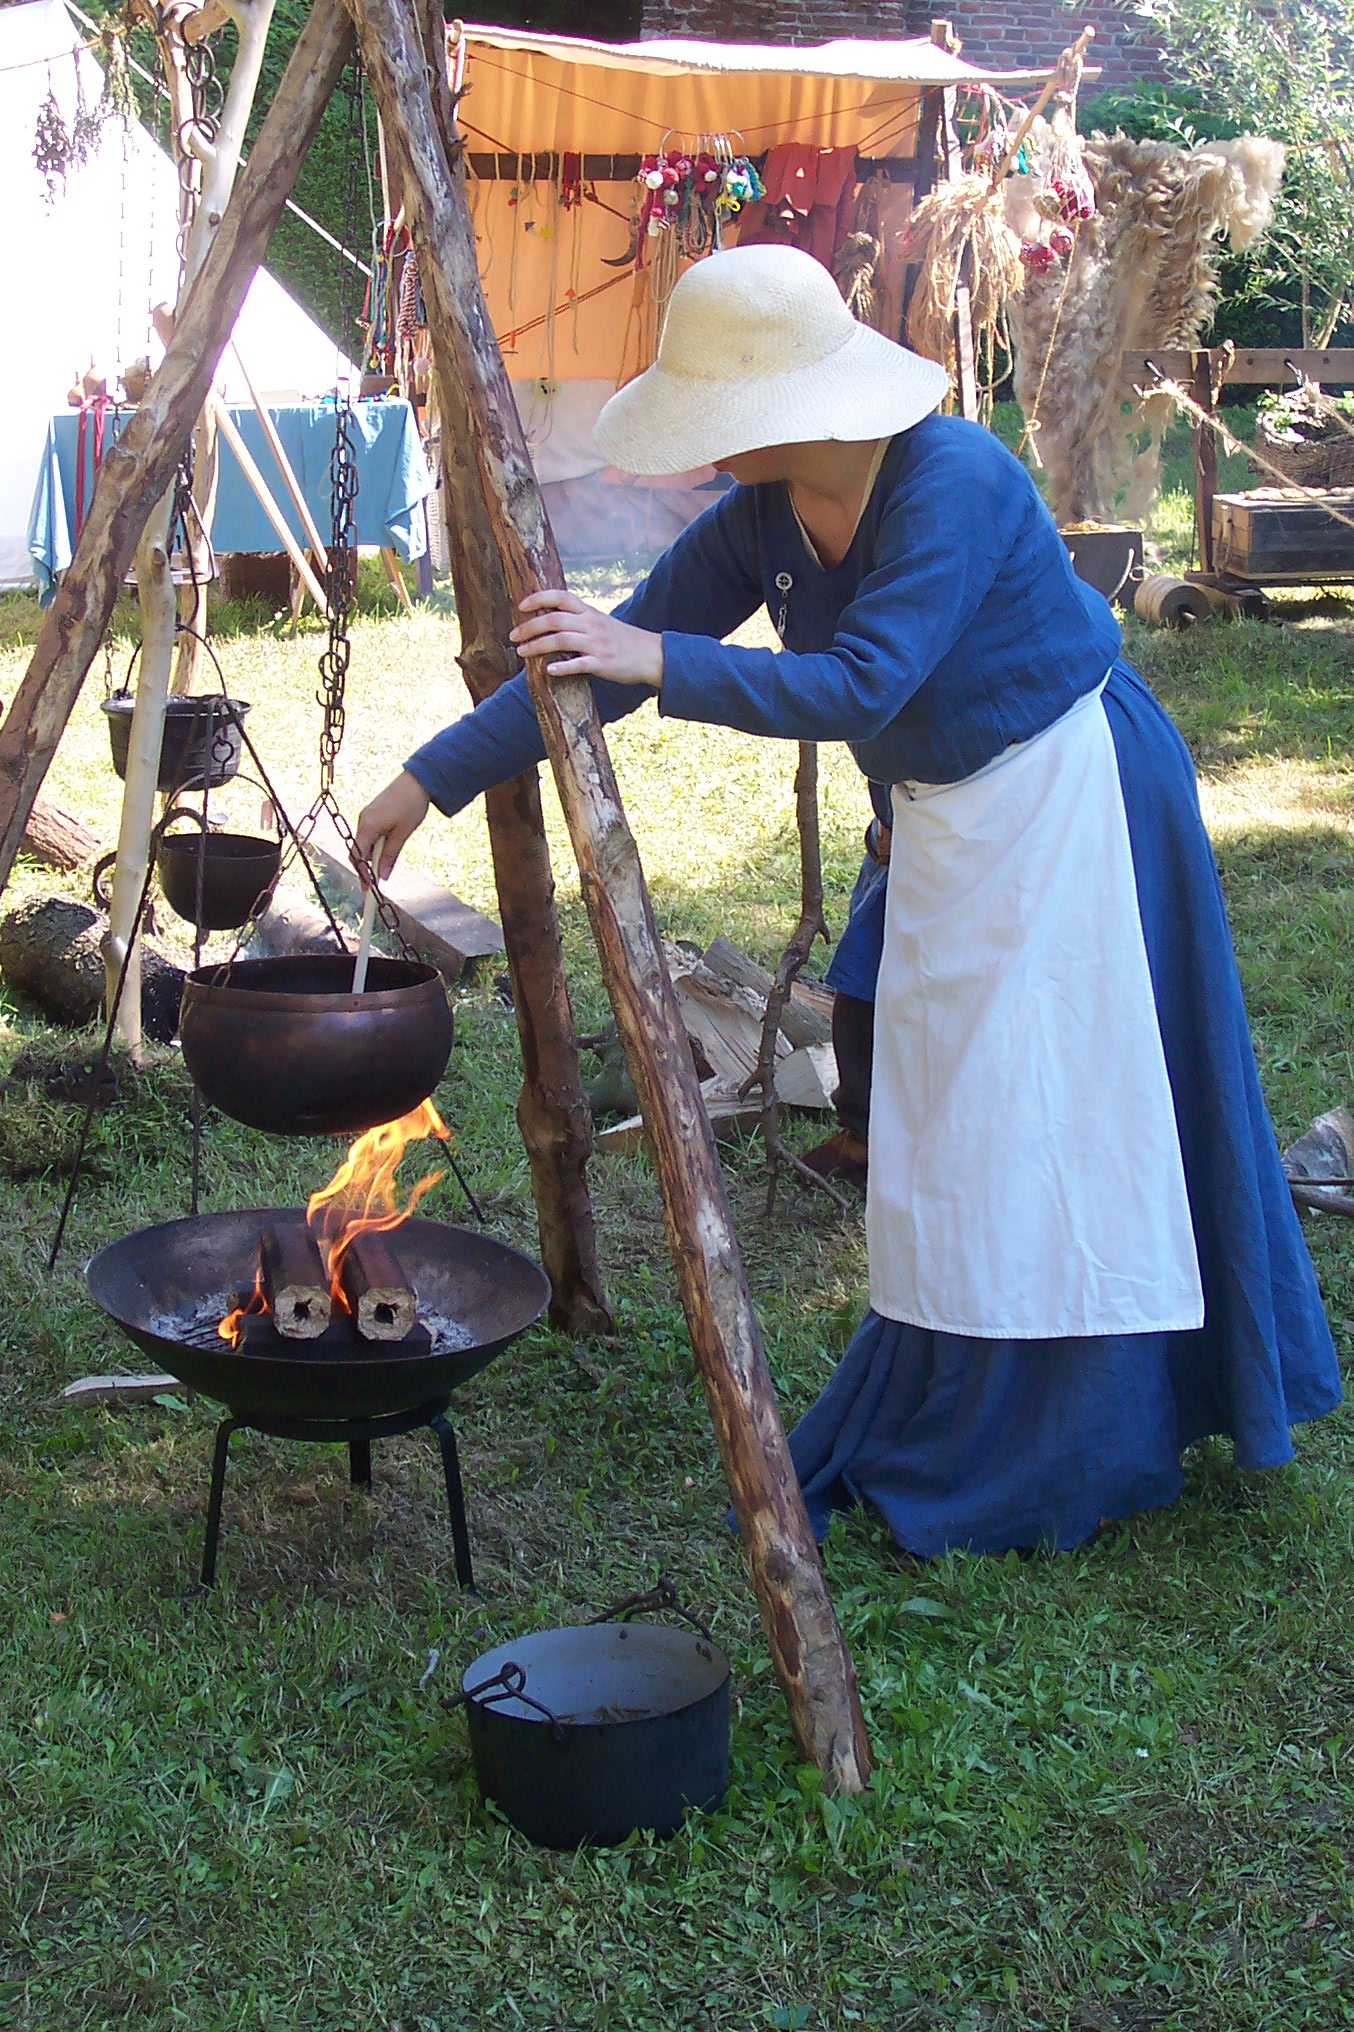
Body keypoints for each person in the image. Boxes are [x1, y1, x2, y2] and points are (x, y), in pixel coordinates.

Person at [357, 243, 1340, 1556]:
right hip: (947, 817)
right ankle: (953, 1399)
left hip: (1073, 796)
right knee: (953, 1131)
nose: (706, 448)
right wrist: (427, 780)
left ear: (795, 407)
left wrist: (659, 655)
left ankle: (1086, 1428)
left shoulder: (957, 480)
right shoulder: (765, 514)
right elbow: (599, 666)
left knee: (1068, 1114)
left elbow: (859, 684)